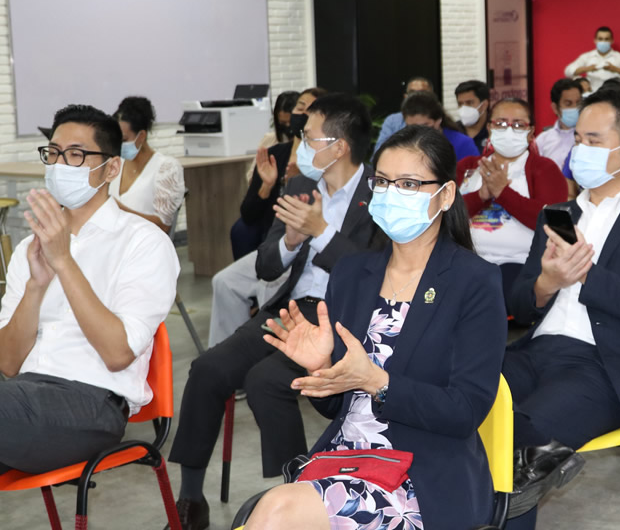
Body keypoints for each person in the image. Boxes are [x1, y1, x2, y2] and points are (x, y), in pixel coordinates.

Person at [243, 125, 506, 530]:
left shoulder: (474, 282)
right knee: (272, 511)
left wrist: (380, 383)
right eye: (382, 182)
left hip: (421, 474)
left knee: (276, 513)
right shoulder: (353, 272)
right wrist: (320, 370)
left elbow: (465, 411)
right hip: (346, 456)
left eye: (408, 183)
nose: (390, 193)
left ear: (446, 194)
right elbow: (336, 407)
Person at [168, 94, 383, 530]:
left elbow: (371, 274)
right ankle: (190, 500)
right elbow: (265, 264)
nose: (300, 143)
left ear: (339, 145)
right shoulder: (301, 187)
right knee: (208, 369)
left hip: (340, 318)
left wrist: (320, 232)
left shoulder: (379, 195)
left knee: (266, 382)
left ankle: (295, 496)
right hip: (288, 308)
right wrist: (289, 240)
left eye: (308, 136)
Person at [504, 88, 620, 528]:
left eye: (593, 141)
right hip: (536, 352)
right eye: (577, 140)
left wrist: (586, 274)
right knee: (464, 401)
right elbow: (518, 307)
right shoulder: (557, 214)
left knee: (521, 436)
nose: (580, 151)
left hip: (608, 365)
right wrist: (548, 282)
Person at [0, 105, 179, 475]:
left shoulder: (143, 243)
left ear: (111, 168)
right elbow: (8, 362)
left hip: (92, 404)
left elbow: (117, 354)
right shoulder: (28, 249)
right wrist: (35, 287)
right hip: (23, 400)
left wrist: (64, 262)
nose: (59, 165)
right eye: (53, 153)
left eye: (76, 155)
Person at [214, 87, 327, 349]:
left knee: (270, 284)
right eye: (299, 106)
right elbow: (248, 215)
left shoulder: (325, 159)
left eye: (310, 109)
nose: (301, 113)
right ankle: (225, 364)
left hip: (302, 249)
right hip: (273, 244)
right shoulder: (275, 154)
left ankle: (256, 360)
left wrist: (303, 180)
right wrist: (266, 186)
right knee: (223, 282)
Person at [458, 98, 566, 303]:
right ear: (489, 128)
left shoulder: (544, 169)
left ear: (531, 132)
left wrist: (503, 192)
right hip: (467, 262)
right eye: (500, 123)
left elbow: (553, 223)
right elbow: (446, 216)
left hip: (520, 264)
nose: (508, 130)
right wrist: (481, 196)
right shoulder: (467, 167)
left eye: (518, 124)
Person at [108, 97, 185, 233]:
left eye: (124, 139)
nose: (118, 144)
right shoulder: (115, 164)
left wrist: (119, 208)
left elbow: (163, 226)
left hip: (142, 245)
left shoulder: (166, 168)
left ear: (141, 136)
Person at [402, 91, 480, 161]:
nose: (417, 132)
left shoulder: (462, 144)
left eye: (423, 126)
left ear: (438, 121)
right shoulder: (402, 145)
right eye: (411, 127)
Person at [564, 26, 620, 94]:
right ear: (595, 40)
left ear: (612, 40)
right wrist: (587, 69)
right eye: (600, 39)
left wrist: (616, 69)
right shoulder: (587, 56)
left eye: (606, 39)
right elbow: (568, 71)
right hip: (591, 96)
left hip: (614, 96)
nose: (603, 42)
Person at [375, 76, 433, 151]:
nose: (417, 97)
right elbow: (379, 152)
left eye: (422, 93)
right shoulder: (393, 121)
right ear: (405, 97)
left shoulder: (438, 118)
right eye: (412, 93)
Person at [536, 78, 584, 169]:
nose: (575, 108)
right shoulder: (542, 140)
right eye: (568, 104)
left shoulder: (590, 137)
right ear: (555, 108)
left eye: (578, 103)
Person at [456, 79, 492, 151]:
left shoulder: (494, 131)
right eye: (460, 104)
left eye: (469, 103)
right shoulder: (453, 131)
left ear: (484, 105)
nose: (464, 108)